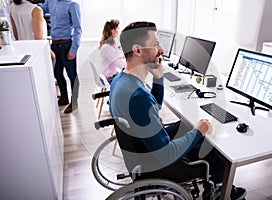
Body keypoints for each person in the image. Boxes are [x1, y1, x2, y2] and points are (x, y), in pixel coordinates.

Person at [109, 21, 247, 199]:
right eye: (156, 45)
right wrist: (199, 132)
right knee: (217, 147)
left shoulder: (122, 80)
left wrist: (158, 79)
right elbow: (166, 153)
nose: (161, 50)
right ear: (137, 50)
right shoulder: (137, 96)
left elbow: (154, 109)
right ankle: (221, 191)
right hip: (160, 163)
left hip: (143, 150)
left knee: (186, 124)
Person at [39, 0, 82, 113]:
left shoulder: (73, 5)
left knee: (72, 75)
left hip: (67, 45)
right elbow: (40, 9)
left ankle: (75, 101)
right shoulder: (51, 1)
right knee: (57, 73)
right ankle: (64, 98)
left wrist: (74, 49)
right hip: (54, 45)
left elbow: (78, 28)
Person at [98, 19, 125, 84]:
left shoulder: (111, 44)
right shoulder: (107, 47)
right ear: (113, 31)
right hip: (110, 77)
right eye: (118, 28)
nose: (119, 30)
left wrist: (127, 55)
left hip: (113, 74)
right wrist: (131, 67)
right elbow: (118, 63)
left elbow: (116, 57)